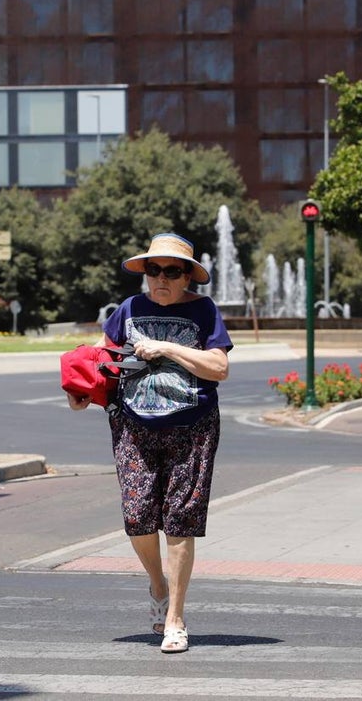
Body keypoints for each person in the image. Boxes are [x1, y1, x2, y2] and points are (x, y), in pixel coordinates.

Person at [66, 232, 232, 654]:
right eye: (153, 270)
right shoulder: (128, 310)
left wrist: (167, 348)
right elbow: (103, 361)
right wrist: (83, 391)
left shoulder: (204, 312)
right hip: (133, 424)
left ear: (186, 277)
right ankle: (157, 582)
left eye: (171, 272)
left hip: (192, 426)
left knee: (180, 519)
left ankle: (175, 616)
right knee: (138, 514)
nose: (160, 279)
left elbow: (219, 367)